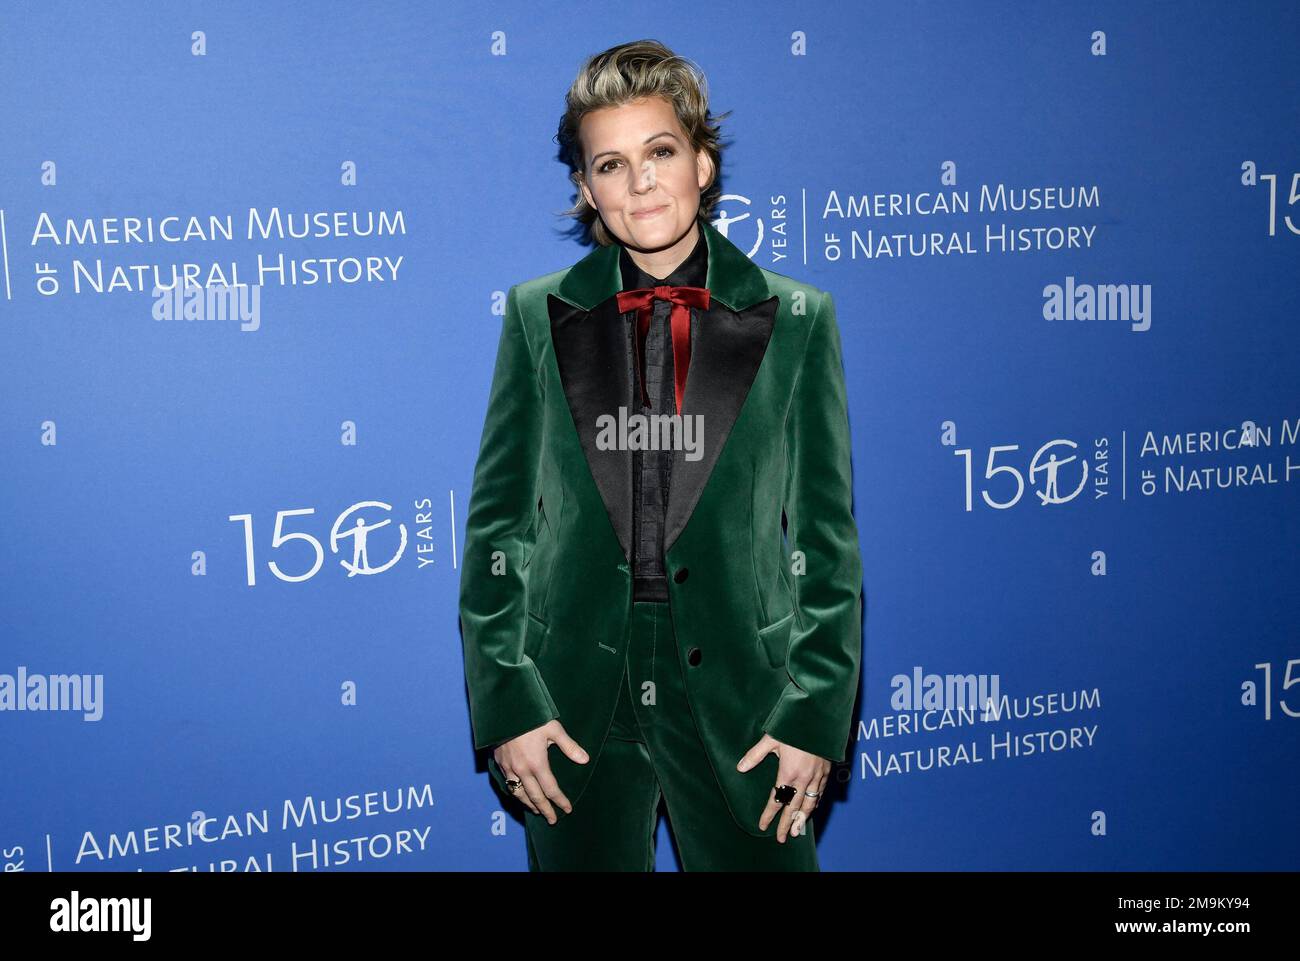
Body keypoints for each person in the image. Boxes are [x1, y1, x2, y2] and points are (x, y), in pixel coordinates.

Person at [458, 39, 863, 871]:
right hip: (571, 691)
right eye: (610, 163)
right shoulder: (538, 315)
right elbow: (499, 528)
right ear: (585, 187)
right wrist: (507, 700)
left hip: (747, 690)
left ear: (704, 165)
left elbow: (826, 539)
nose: (639, 182)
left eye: (661, 152)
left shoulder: (797, 317)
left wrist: (813, 712)